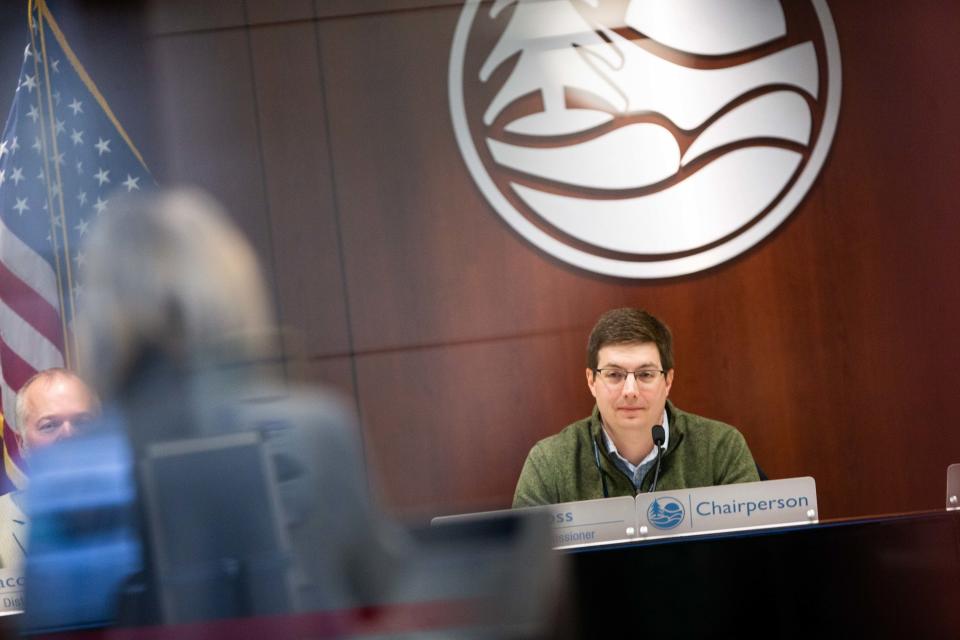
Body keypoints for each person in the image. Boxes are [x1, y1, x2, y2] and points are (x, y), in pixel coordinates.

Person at [513, 308, 759, 507]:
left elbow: (753, 557)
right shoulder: (549, 462)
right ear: (591, 381)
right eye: (614, 374)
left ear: (668, 381)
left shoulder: (722, 448)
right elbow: (526, 564)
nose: (630, 390)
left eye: (645, 374)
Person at [0, 368, 99, 570]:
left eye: (82, 422)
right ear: (22, 444)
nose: (69, 435)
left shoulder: (143, 510)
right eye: (49, 425)